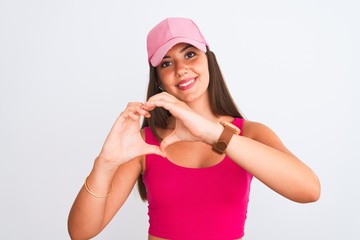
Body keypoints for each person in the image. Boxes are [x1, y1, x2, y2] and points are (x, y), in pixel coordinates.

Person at [67, 17, 320, 240]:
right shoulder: (145, 143)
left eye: (190, 54)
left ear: (208, 59)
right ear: (158, 80)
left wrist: (211, 133)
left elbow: (309, 190)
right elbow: (81, 232)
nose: (181, 69)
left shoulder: (251, 134)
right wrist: (105, 163)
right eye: (166, 63)